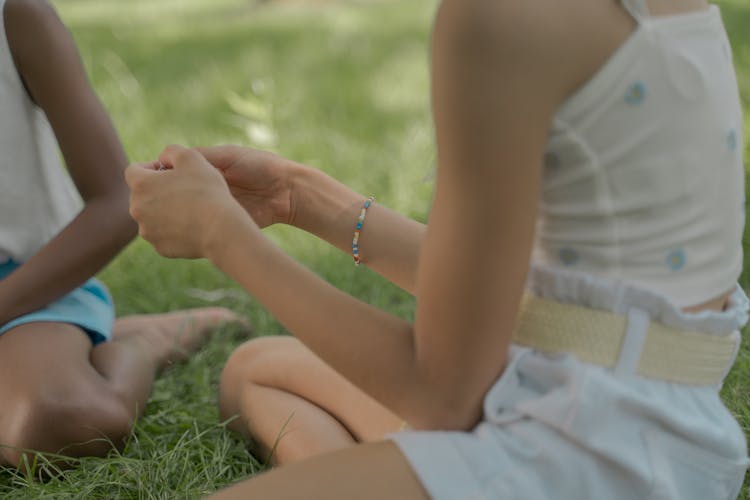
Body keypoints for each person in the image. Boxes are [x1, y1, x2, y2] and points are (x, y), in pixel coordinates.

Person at [126, 0, 750, 497]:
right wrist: (299, 196)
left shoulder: (499, 17)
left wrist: (222, 236)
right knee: (256, 369)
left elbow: (443, 396)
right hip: (668, 436)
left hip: (585, 459)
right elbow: (562, 303)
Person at [0, 0, 242, 468]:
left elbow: (116, 202)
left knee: (58, 421)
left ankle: (142, 343)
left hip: (30, 285)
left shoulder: (19, 18)